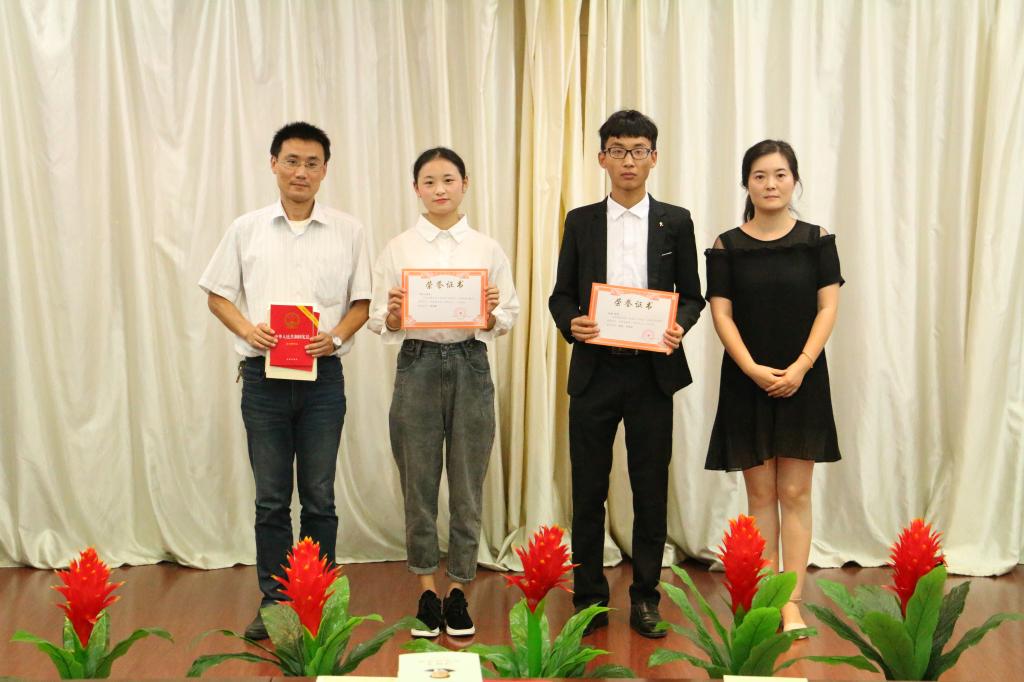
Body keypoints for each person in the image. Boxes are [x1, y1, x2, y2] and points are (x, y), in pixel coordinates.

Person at [199, 121, 371, 640]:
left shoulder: (349, 230)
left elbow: (362, 303)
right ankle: (275, 603)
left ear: (325, 170)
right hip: (263, 380)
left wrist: (335, 338)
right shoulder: (246, 228)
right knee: (271, 498)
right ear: (273, 164)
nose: (301, 172)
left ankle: (317, 601)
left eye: (312, 163)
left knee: (319, 497)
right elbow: (217, 295)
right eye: (292, 161)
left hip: (323, 381)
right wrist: (248, 330)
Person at [548, 110, 704, 638]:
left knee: (650, 490)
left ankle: (645, 598)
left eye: (638, 150)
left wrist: (679, 325)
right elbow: (560, 295)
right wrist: (573, 322)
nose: (628, 161)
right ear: (602, 159)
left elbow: (693, 296)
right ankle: (590, 599)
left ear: (653, 158)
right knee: (588, 491)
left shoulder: (676, 221)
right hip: (594, 373)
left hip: (651, 375)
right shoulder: (581, 221)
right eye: (618, 150)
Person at [368, 147, 519, 638]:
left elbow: (508, 315)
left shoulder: (486, 249)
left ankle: (458, 592)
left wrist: (491, 312)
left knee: (468, 484)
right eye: (429, 181)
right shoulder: (398, 248)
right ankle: (426, 592)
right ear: (416, 188)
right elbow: (378, 318)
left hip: (471, 363)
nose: (439, 189)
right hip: (417, 363)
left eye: (448, 179)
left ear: (464, 184)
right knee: (419, 483)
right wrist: (394, 315)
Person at [704, 139, 843, 633]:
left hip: (803, 377)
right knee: (760, 494)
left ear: (794, 180)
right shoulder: (727, 245)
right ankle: (766, 598)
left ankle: (792, 602)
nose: (770, 184)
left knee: (796, 491)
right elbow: (721, 314)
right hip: (748, 380)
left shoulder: (817, 239)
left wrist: (802, 365)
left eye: (780, 174)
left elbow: (828, 307)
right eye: (759, 176)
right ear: (747, 183)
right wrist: (751, 368)